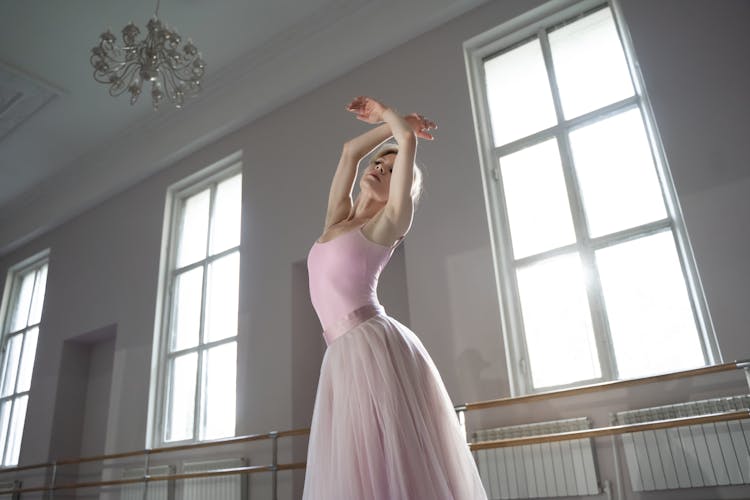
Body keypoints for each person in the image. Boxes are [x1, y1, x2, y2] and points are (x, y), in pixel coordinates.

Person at [303, 96, 488, 499]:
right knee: (358, 464)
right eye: (378, 163)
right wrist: (394, 124)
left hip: (371, 345)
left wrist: (393, 120)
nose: (378, 167)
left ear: (397, 190)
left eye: (390, 169)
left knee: (386, 456)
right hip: (340, 353)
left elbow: (407, 143)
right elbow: (350, 152)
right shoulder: (338, 218)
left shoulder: (389, 222)